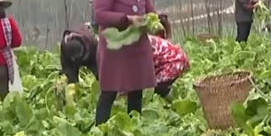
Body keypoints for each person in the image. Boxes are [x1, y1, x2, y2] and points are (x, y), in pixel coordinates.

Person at [92, 0, 157, 125]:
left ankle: (133, 128)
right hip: (116, 46)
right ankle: (100, 129)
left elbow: (150, 10)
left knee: (136, 89)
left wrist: (154, 21)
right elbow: (100, 15)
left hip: (137, 46)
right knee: (110, 90)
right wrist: (127, 19)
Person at [60, 24, 189, 99]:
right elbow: (71, 75)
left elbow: (132, 76)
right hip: (153, 61)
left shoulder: (111, 48)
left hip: (172, 61)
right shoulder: (66, 51)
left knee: (154, 88)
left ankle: (174, 100)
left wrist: (120, 93)